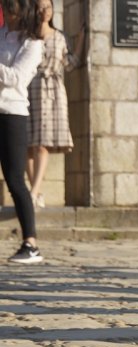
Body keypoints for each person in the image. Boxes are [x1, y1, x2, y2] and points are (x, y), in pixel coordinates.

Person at [26, 0, 83, 209]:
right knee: (27, 146)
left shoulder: (59, 37)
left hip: (51, 93)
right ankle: (36, 191)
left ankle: (33, 192)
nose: (44, 12)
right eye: (40, 8)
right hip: (29, 89)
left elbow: (70, 64)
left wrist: (80, 41)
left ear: (53, 10)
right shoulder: (28, 35)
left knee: (42, 143)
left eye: (47, 7)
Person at [1, 0, 43, 263]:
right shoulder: (1, 35)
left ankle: (31, 243)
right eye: (5, 5)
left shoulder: (32, 43)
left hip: (12, 113)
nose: (7, 10)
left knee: (15, 179)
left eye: (12, 6)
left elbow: (17, 77)